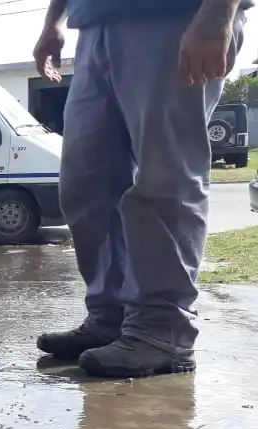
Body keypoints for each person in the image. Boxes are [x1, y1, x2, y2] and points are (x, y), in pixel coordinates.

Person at [33, 0, 249, 377]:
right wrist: (55, 20)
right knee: (86, 186)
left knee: (165, 178)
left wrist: (218, 13)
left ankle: (163, 331)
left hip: (176, 17)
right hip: (95, 25)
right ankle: (110, 319)